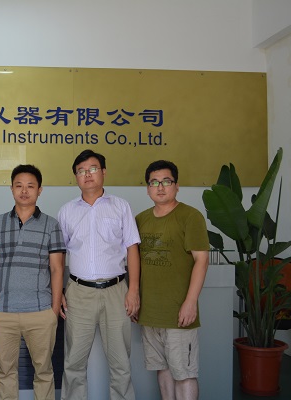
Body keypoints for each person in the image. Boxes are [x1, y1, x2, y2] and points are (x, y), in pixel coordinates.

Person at [58, 149, 140, 400]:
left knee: (121, 363)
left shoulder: (121, 207)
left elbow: (132, 249)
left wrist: (133, 290)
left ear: (103, 172)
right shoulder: (67, 211)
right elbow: (59, 256)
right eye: (81, 171)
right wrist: (59, 291)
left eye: (93, 169)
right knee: (73, 363)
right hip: (78, 293)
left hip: (116, 291)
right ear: (76, 177)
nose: (87, 174)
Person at [0, 164, 66, 400]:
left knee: (44, 372)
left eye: (30, 186)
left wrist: (53, 309)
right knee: (6, 372)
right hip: (3, 311)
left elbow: (57, 268)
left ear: (39, 190)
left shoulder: (51, 225)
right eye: (19, 185)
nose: (24, 191)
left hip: (40, 311)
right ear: (11, 189)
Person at [135, 160, 209, 400]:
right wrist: (135, 298)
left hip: (179, 312)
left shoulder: (190, 216)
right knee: (163, 369)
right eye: (154, 182)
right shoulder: (140, 219)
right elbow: (134, 263)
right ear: (147, 188)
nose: (160, 187)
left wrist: (190, 302)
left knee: (184, 373)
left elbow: (201, 260)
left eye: (166, 181)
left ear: (176, 186)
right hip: (150, 312)